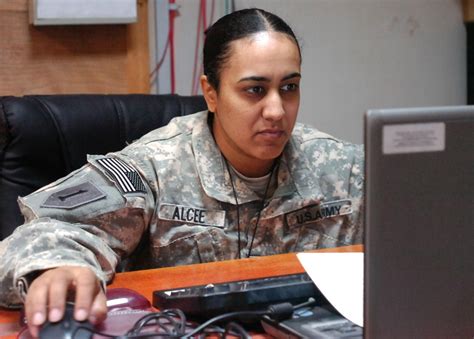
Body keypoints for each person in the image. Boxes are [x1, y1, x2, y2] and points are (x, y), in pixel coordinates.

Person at [0, 8, 363, 337]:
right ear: (211, 93)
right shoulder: (154, 166)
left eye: (289, 88)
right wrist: (53, 267)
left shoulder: (341, 167)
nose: (276, 110)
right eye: (255, 90)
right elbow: (50, 230)